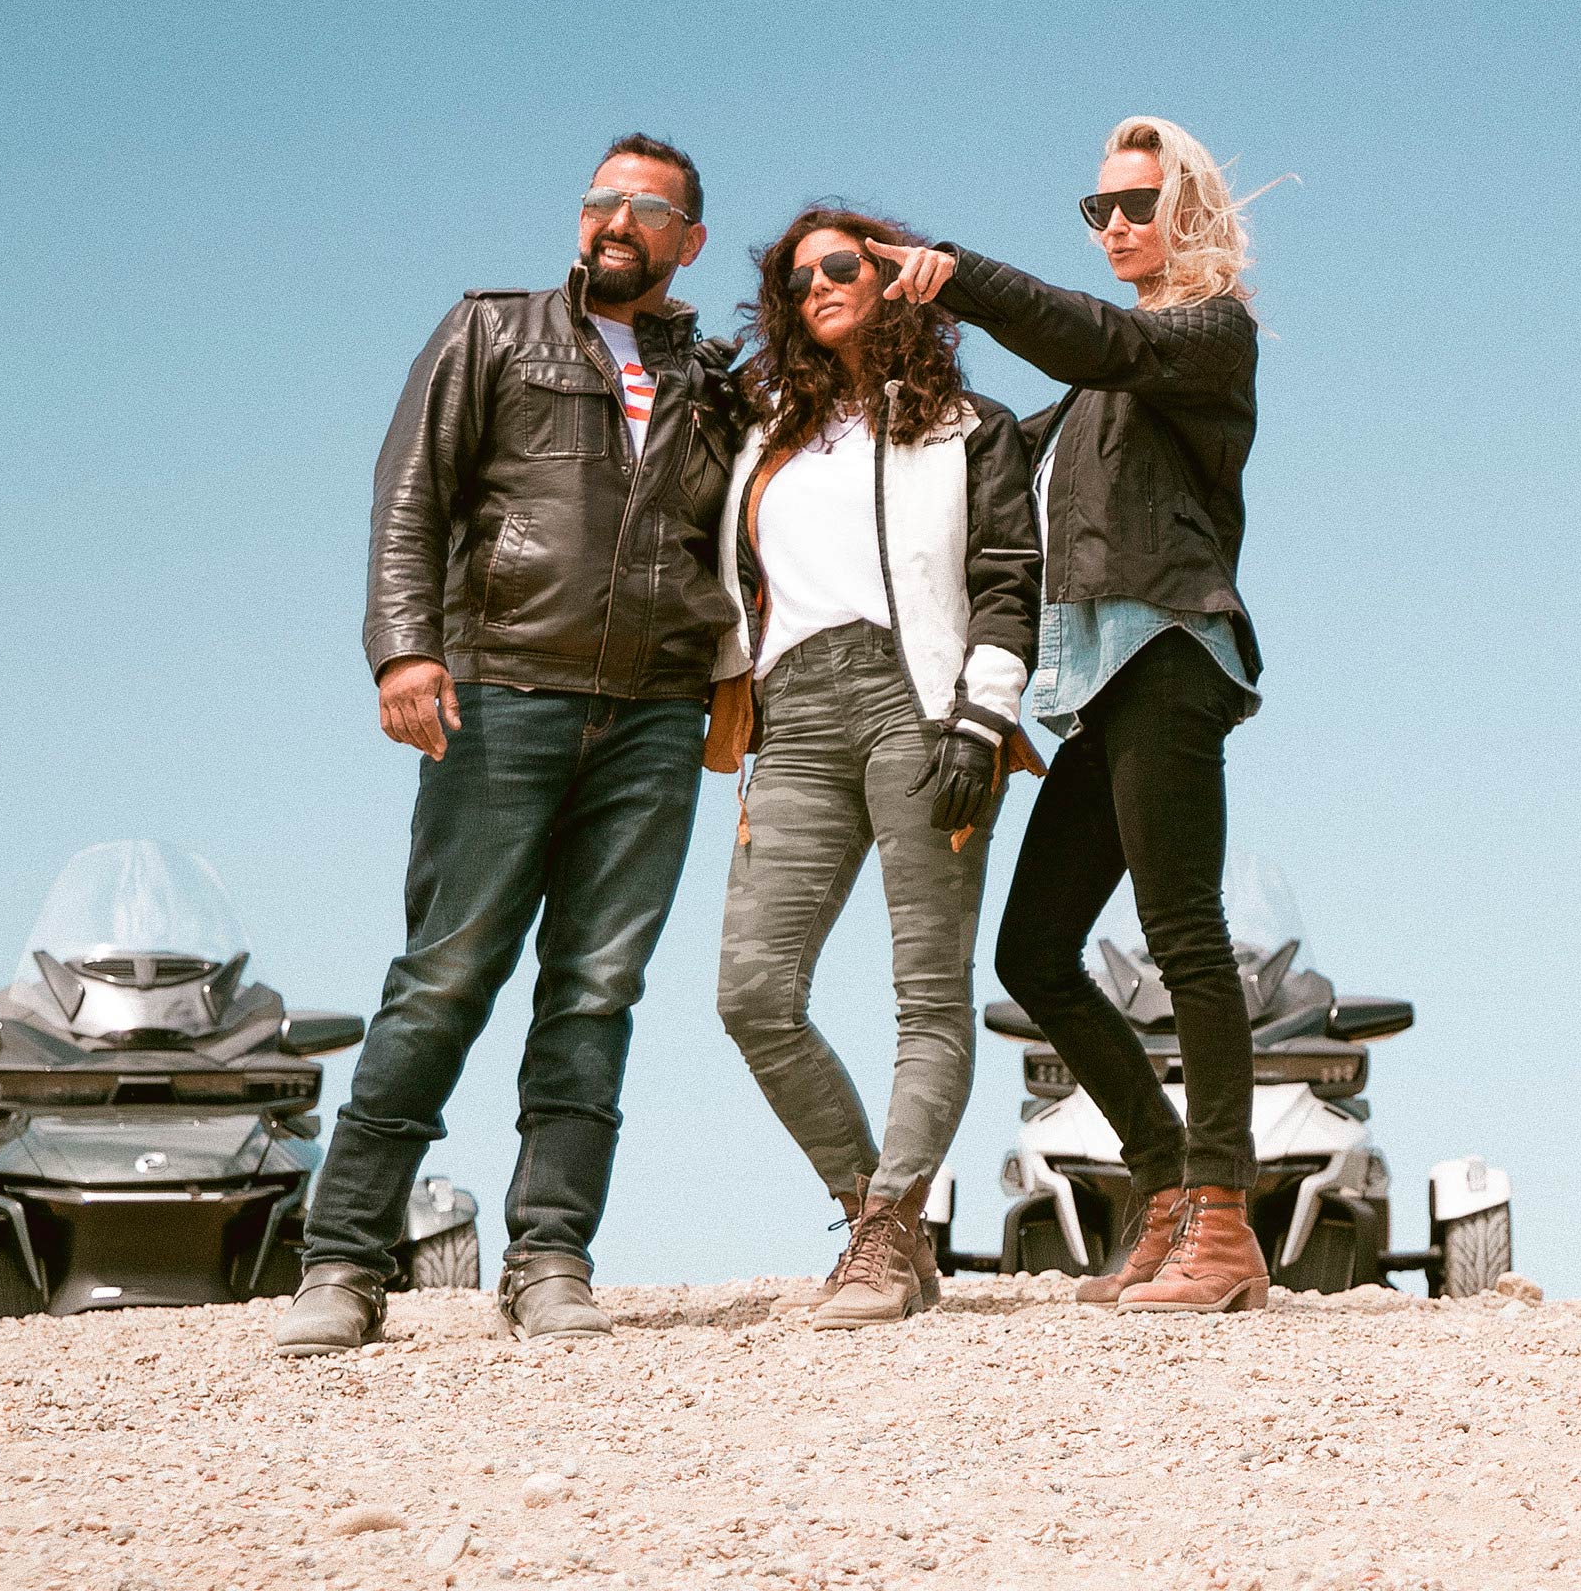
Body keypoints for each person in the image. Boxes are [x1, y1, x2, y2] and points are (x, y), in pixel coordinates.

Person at [278, 135, 742, 1355]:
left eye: (645, 208)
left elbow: (748, 534)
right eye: (599, 200)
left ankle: (550, 1258)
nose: (614, 221)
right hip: (502, 692)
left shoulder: (720, 376)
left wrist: (731, 683)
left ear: (687, 240)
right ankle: (342, 1262)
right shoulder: (491, 330)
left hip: (655, 712)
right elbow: (410, 493)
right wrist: (402, 650)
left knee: (598, 988)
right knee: (445, 975)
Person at [882, 118, 1270, 1313]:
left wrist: (961, 272)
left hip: (1164, 653)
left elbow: (1096, 339)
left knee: (1183, 931)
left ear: (1190, 210)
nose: (1114, 226)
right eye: (1096, 209)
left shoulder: (1208, 334)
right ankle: (1164, 1183)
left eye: (1136, 204)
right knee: (1034, 952)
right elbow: (977, 455)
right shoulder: (1075, 409)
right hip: (1090, 686)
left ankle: (1224, 1222)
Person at [708, 207, 1037, 1328]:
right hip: (792, 717)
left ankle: (891, 1231)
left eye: (841, 267)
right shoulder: (763, 433)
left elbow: (1007, 580)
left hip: (920, 707)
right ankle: (870, 1216)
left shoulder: (965, 427)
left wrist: (982, 722)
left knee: (927, 994)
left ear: (894, 276)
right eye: (796, 280)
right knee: (752, 991)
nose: (818, 289)